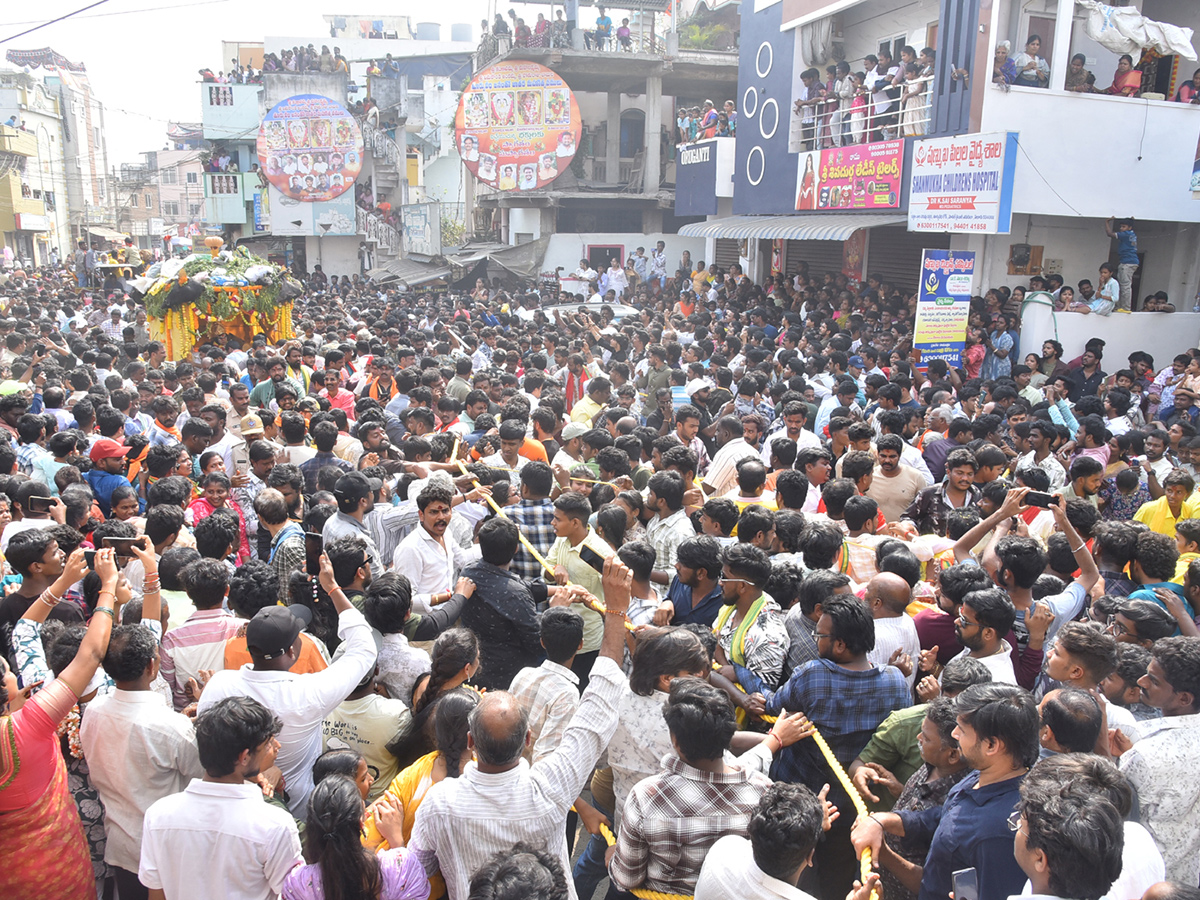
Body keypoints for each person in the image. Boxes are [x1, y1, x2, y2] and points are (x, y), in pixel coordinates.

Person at [406, 557, 632, 900]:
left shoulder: (440, 802)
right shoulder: (550, 787)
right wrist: (615, 612)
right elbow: (598, 709)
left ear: (471, 741)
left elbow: (415, 871)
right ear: (527, 739)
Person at [196, 552, 377, 816]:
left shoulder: (219, 685)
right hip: (294, 811)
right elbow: (364, 649)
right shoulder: (308, 693)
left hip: (225, 807)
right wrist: (333, 588)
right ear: (293, 651)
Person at [0, 548, 118, 900]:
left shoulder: (37, 687)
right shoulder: (31, 720)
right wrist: (106, 585)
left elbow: (24, 631)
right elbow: (91, 654)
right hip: (58, 866)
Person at [851, 683, 1039, 900]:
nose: (955, 734)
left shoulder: (995, 836)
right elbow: (944, 817)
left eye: (963, 730)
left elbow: (937, 886)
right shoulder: (981, 777)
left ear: (991, 746)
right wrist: (884, 820)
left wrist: (885, 853)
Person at [139, 696, 304, 899]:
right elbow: (292, 892)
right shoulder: (275, 825)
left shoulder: (158, 816)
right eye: (268, 744)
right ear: (244, 757)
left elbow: (157, 893)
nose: (276, 746)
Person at [1117, 636, 1200, 883]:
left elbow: (1120, 815)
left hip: (1148, 882)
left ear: (1184, 699)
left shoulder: (1145, 754)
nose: (1141, 681)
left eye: (1153, 681)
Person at [282, 773, 428, 900]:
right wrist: (397, 843)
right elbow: (406, 883)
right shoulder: (399, 866)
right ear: (361, 823)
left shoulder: (299, 885)